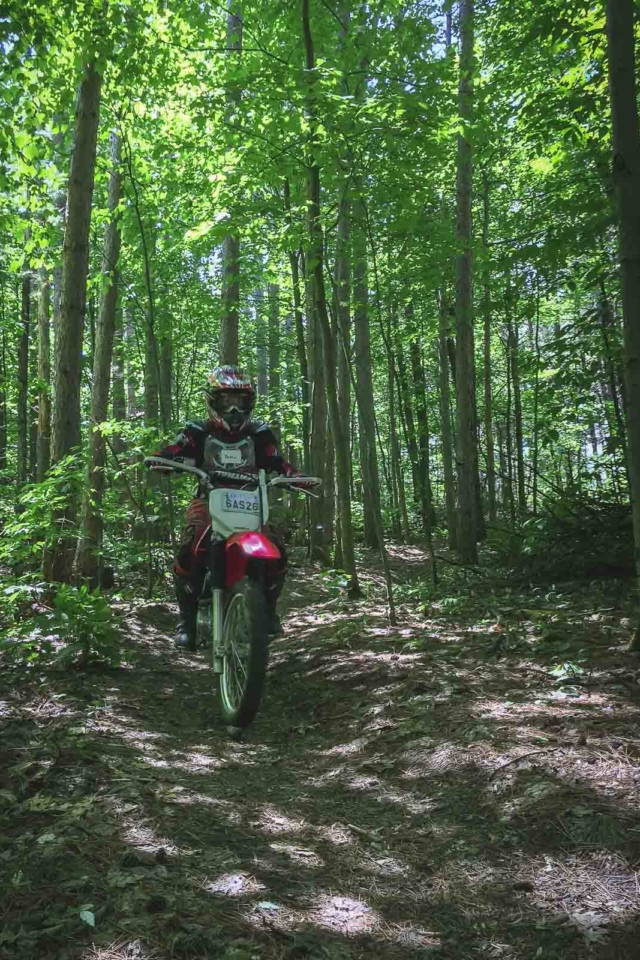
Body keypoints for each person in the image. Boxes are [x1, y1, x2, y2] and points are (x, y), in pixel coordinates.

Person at [149, 366, 304, 650]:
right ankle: (186, 618)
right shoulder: (198, 430)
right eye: (226, 401)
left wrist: (293, 476)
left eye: (240, 402)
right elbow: (176, 450)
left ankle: (267, 610)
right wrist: (163, 458)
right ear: (213, 401)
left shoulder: (260, 433)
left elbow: (277, 462)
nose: (233, 409)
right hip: (208, 498)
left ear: (250, 403)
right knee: (191, 546)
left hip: (250, 502)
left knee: (277, 550)